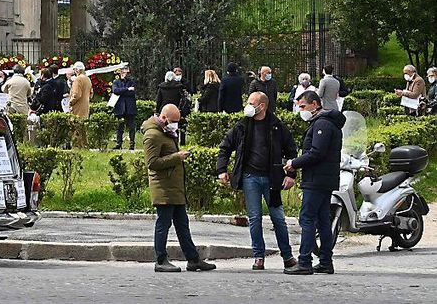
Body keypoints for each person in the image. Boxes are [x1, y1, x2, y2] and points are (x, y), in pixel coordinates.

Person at [216, 91, 299, 270]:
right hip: (250, 177)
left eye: (251, 103)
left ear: (262, 106)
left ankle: (287, 256)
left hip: (272, 178)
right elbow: (225, 147)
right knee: (254, 218)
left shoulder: (276, 126)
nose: (248, 105)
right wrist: (221, 170)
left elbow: (292, 151)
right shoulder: (242, 126)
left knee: (278, 218)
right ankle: (258, 256)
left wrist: (291, 175)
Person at [141, 103, 216, 273]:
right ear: (164, 118)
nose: (176, 124)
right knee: (163, 224)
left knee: (183, 225)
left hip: (174, 188)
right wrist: (177, 157)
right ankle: (160, 260)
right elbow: (152, 163)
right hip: (163, 189)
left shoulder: (166, 132)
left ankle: (193, 259)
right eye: (174, 121)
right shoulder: (153, 135)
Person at [284, 90, 345, 275]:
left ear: (315, 104)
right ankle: (326, 261)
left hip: (317, 179)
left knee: (308, 219)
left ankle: (305, 261)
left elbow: (316, 152)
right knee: (322, 220)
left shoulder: (322, 124)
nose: (300, 110)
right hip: (323, 178)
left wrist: (294, 163)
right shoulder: (325, 122)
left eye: (303, 106)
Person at [155, 71, 189, 145]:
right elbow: (183, 99)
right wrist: (181, 109)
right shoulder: (179, 87)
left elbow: (158, 100)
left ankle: (167, 142)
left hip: (164, 109)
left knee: (165, 127)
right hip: (176, 108)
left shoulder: (161, 87)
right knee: (179, 125)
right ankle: (182, 142)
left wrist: (157, 111)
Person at [112, 66, 138, 149]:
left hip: (130, 107)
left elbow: (132, 92)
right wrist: (127, 89)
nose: (123, 73)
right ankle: (118, 144)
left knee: (131, 127)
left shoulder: (132, 81)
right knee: (120, 127)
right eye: (122, 71)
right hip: (120, 107)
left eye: (125, 71)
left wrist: (122, 91)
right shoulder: (116, 82)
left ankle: (132, 144)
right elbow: (115, 91)